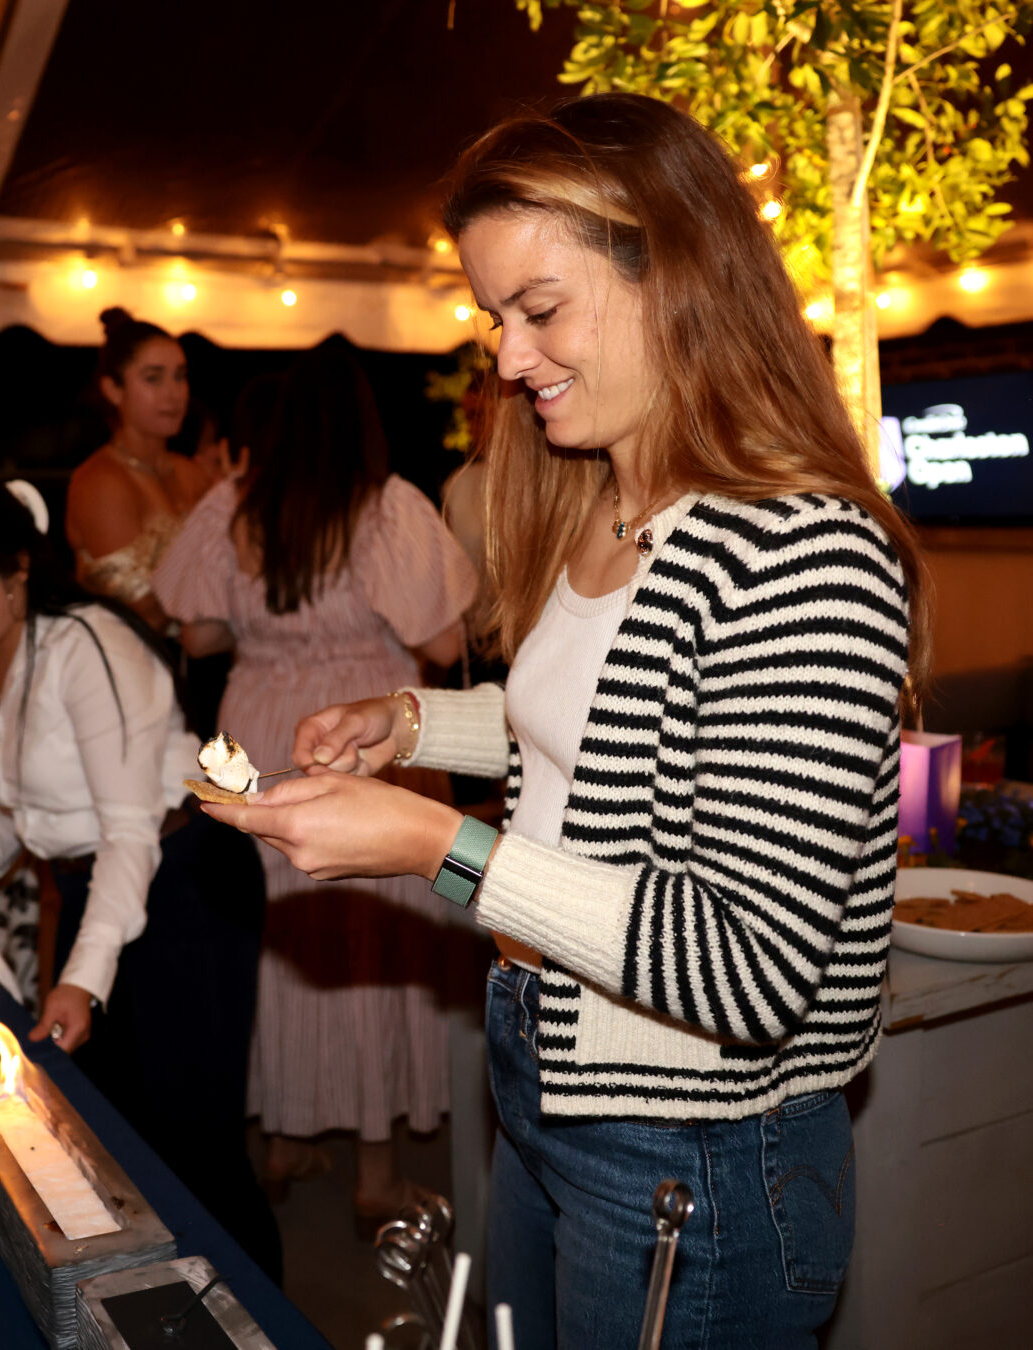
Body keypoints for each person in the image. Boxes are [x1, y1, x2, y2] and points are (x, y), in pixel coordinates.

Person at [202, 93, 927, 1349]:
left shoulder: (802, 554)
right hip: (544, 1075)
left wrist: (438, 849)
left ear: (681, 273)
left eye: (541, 309)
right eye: (495, 317)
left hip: (691, 1149)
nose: (507, 356)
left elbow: (744, 967)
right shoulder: (608, 502)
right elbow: (611, 731)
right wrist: (415, 726)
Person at [0, 467, 282, 1281]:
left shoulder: (89, 644)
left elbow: (129, 831)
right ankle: (147, 1301)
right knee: (108, 1132)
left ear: (17, 567)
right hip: (106, 889)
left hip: (184, 877)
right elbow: (17, 812)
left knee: (193, 1140)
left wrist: (82, 982)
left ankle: (263, 1311)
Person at [154, 342, 477, 1233]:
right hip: (360, 732)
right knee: (371, 942)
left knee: (267, 940)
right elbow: (447, 648)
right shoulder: (386, 508)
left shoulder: (234, 504)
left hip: (254, 731)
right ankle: (376, 1172)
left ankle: (282, 1143)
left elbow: (200, 633)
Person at [65, 308, 210, 630]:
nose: (173, 393)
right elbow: (140, 611)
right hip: (126, 661)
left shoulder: (190, 472)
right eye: (153, 378)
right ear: (113, 389)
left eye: (180, 376)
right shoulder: (100, 482)